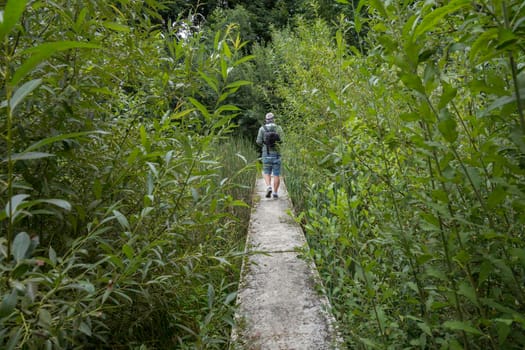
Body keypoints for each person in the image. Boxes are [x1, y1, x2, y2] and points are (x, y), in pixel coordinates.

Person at [256, 112, 284, 199]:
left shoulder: (262, 129)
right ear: (274, 119)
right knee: (276, 174)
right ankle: (275, 193)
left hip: (266, 154)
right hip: (277, 154)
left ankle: (268, 187)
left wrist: (265, 146)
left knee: (266, 172)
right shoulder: (278, 128)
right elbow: (283, 140)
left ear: (266, 120)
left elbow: (258, 142)